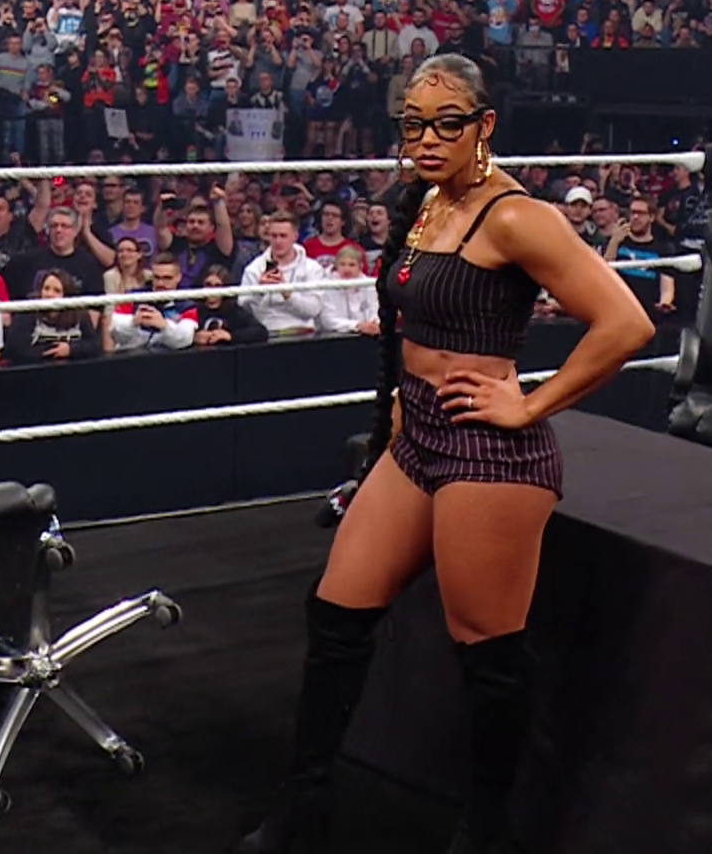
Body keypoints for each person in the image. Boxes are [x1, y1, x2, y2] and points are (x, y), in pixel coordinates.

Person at [235, 54, 654, 854]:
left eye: (447, 123)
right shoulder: (428, 202)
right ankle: (305, 809)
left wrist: (528, 403)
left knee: (488, 658)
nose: (427, 139)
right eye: (414, 125)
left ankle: (487, 832)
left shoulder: (516, 216)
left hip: (488, 452)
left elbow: (627, 324)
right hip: (419, 433)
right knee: (336, 614)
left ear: (484, 126)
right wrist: (402, 398)